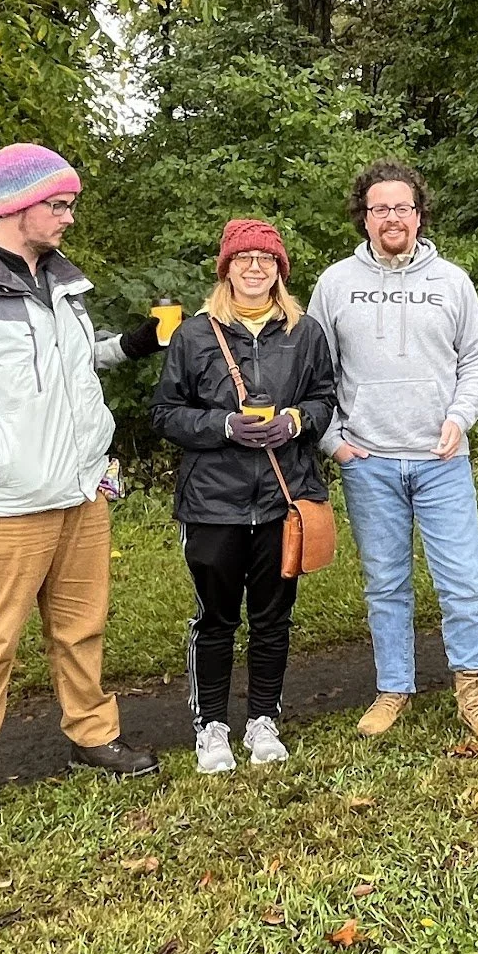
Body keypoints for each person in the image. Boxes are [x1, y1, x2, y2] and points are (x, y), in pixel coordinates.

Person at [0, 143, 164, 835]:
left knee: (81, 628)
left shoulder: (63, 285)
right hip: (4, 503)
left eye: (69, 205)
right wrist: (5, 460)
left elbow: (71, 367)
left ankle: (92, 736)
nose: (70, 217)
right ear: (16, 206)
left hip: (81, 493)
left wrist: (130, 345)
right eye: (60, 205)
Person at [306, 161, 478, 747]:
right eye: (380, 208)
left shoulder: (452, 281)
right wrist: (333, 441)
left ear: (419, 215)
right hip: (368, 461)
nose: (392, 217)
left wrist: (459, 418)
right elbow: (313, 370)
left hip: (441, 460)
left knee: (464, 582)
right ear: (364, 216)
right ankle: (393, 687)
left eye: (402, 207)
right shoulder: (335, 284)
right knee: (386, 584)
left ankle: (472, 689)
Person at [152, 220, 337, 772]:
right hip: (213, 501)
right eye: (243, 258)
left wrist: (297, 420)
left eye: (266, 259)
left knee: (273, 617)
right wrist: (224, 426)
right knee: (215, 618)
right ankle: (210, 726)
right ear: (226, 269)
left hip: (284, 497)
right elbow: (165, 413)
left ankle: (263, 721)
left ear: (280, 270)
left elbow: (325, 397)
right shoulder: (194, 335)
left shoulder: (306, 332)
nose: (255, 268)